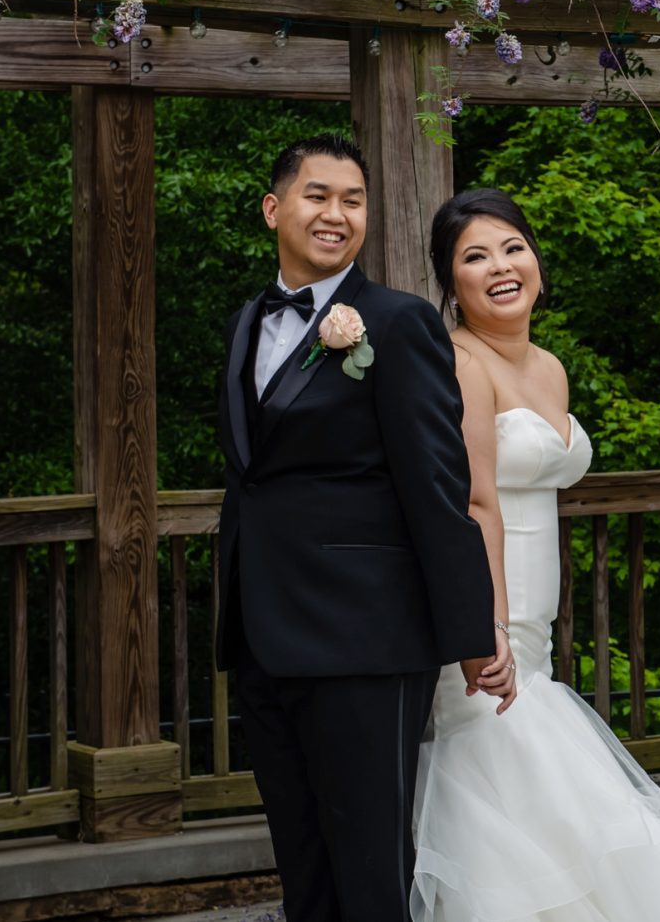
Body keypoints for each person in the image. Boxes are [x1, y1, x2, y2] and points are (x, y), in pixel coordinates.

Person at [410, 188, 660, 921]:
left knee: (542, 794)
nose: (500, 267)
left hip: (535, 622)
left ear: (536, 259)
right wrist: (486, 627)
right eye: (474, 256)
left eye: (513, 247)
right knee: (505, 776)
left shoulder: (551, 365)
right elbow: (473, 502)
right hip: (487, 614)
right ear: (451, 281)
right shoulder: (459, 365)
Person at [214, 136, 513, 922]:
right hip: (262, 634)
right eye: (318, 196)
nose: (336, 214)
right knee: (301, 863)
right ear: (275, 209)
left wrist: (473, 627)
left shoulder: (398, 323)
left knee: (373, 865)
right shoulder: (247, 321)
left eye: (353, 200)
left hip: (367, 635)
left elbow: (436, 484)